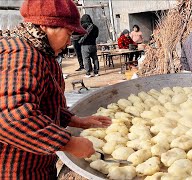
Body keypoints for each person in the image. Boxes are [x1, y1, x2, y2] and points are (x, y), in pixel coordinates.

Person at [0, 0, 112, 179]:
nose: (69, 41)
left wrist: (76, 120)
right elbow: (11, 118)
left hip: (38, 164)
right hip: (15, 169)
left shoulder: (43, 52)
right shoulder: (22, 54)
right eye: (68, 33)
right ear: (46, 25)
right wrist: (69, 143)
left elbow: (43, 104)